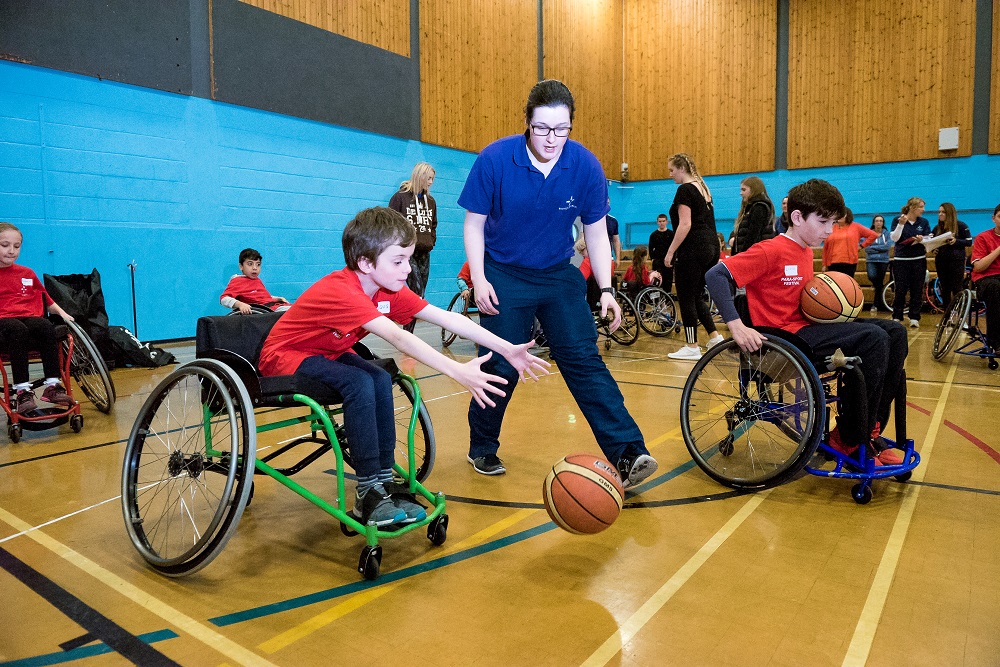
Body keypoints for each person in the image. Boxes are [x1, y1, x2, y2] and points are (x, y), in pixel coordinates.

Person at [258, 207, 550, 526]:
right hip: (285, 357)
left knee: (381, 376)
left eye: (408, 259)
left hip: (326, 352)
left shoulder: (388, 291)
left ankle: (381, 482)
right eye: (398, 261)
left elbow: (449, 318)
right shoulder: (343, 290)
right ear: (366, 263)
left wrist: (508, 348)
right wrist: (457, 371)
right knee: (359, 383)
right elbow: (400, 338)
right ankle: (367, 492)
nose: (407, 269)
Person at [458, 79, 658, 488]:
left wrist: (606, 289)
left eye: (562, 129)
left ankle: (628, 453)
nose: (552, 139)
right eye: (543, 128)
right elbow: (473, 225)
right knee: (500, 364)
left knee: (583, 359)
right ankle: (482, 445)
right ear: (527, 124)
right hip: (503, 273)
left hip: (556, 273)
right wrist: (479, 279)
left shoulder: (584, 165)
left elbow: (597, 234)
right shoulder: (495, 159)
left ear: (571, 125)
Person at [705, 179, 907, 465]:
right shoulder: (771, 249)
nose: (829, 230)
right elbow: (715, 275)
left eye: (833, 222)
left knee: (895, 331)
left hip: (806, 331)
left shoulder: (805, 249)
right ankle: (850, 439)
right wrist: (736, 325)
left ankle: (868, 429)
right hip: (782, 341)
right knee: (873, 338)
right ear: (797, 217)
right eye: (823, 221)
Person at [0, 222, 77, 416]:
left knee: (44, 324)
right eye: (5, 245)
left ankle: (52, 386)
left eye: (16, 247)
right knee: (17, 329)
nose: (11, 251)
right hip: (3, 322)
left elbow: (47, 300)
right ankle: (23, 391)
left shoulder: (26, 273)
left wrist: (63, 314)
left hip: (27, 317)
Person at [664, 152, 724, 360]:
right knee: (696, 293)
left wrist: (670, 251)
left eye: (672, 170)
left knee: (686, 296)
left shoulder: (685, 189)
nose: (671, 174)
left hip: (694, 248)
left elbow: (685, 224)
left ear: (682, 168)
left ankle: (691, 346)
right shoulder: (703, 187)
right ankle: (714, 336)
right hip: (711, 247)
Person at [389, 162, 437, 298]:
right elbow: (391, 223)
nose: (431, 182)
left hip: (424, 250)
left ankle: (408, 318)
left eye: (432, 179)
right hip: (406, 252)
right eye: (428, 178)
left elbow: (433, 224)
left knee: (420, 295)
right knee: (417, 291)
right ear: (419, 177)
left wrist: (431, 241)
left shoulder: (431, 201)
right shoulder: (400, 197)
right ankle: (406, 318)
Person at [889, 197, 931, 328]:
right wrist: (901, 224)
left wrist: (921, 239)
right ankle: (897, 315)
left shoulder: (923, 222)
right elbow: (894, 238)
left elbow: (929, 237)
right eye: (921, 207)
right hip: (901, 260)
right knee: (900, 289)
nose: (923, 210)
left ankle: (914, 317)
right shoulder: (898, 219)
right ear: (912, 207)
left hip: (918, 259)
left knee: (917, 289)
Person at [220, 248, 291, 314]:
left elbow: (262, 296)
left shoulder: (257, 280)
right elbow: (224, 299)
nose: (255, 268)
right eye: (250, 264)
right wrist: (240, 304)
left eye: (258, 264)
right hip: (267, 310)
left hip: (275, 306)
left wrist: (277, 298)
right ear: (241, 266)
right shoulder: (238, 281)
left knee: (299, 308)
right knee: (296, 312)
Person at [970, 204, 1000, 355]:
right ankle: (996, 341)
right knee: (996, 288)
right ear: (994, 218)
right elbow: (979, 267)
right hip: (986, 278)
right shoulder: (983, 237)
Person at [932, 202, 972, 309]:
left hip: (956, 261)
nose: (940, 214)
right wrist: (933, 250)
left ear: (949, 213)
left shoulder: (961, 226)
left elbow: (969, 242)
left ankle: (960, 316)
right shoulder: (937, 228)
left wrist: (956, 241)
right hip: (941, 261)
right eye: (939, 212)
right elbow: (932, 243)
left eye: (943, 212)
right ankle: (946, 317)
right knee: (944, 289)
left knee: (957, 288)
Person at [821, 207, 879, 277]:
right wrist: (824, 264)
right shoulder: (831, 228)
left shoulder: (856, 227)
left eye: (842, 214)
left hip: (849, 263)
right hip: (832, 263)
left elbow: (873, 235)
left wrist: (861, 246)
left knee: (847, 285)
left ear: (847, 215)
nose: (840, 216)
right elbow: (825, 248)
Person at [731, 176, 775, 255]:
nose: (741, 193)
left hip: (754, 254)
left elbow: (753, 235)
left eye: (744, 190)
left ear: (754, 190)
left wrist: (743, 255)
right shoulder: (751, 207)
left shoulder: (759, 207)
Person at [865, 215, 893, 312]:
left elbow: (887, 247)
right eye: (877, 221)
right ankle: (879, 298)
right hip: (871, 260)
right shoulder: (868, 233)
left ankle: (876, 304)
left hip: (883, 260)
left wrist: (874, 248)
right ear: (873, 223)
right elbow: (866, 247)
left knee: (879, 282)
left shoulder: (887, 234)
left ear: (883, 223)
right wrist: (880, 248)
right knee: (872, 276)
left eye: (881, 221)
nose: (878, 223)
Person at [648, 213, 674, 292]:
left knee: (668, 280)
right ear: (657, 222)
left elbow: (675, 248)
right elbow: (650, 248)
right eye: (660, 221)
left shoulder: (671, 234)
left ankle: (667, 298)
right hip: (658, 261)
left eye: (663, 221)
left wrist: (673, 259)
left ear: (667, 222)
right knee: (657, 281)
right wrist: (653, 259)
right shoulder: (653, 235)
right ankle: (658, 299)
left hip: (668, 260)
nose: (661, 223)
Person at [606, 200, 623, 270]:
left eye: (608, 203)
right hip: (593, 256)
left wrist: (618, 258)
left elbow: (616, 240)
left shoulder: (613, 221)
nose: (606, 205)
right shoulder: (591, 220)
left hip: (608, 256)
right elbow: (583, 240)